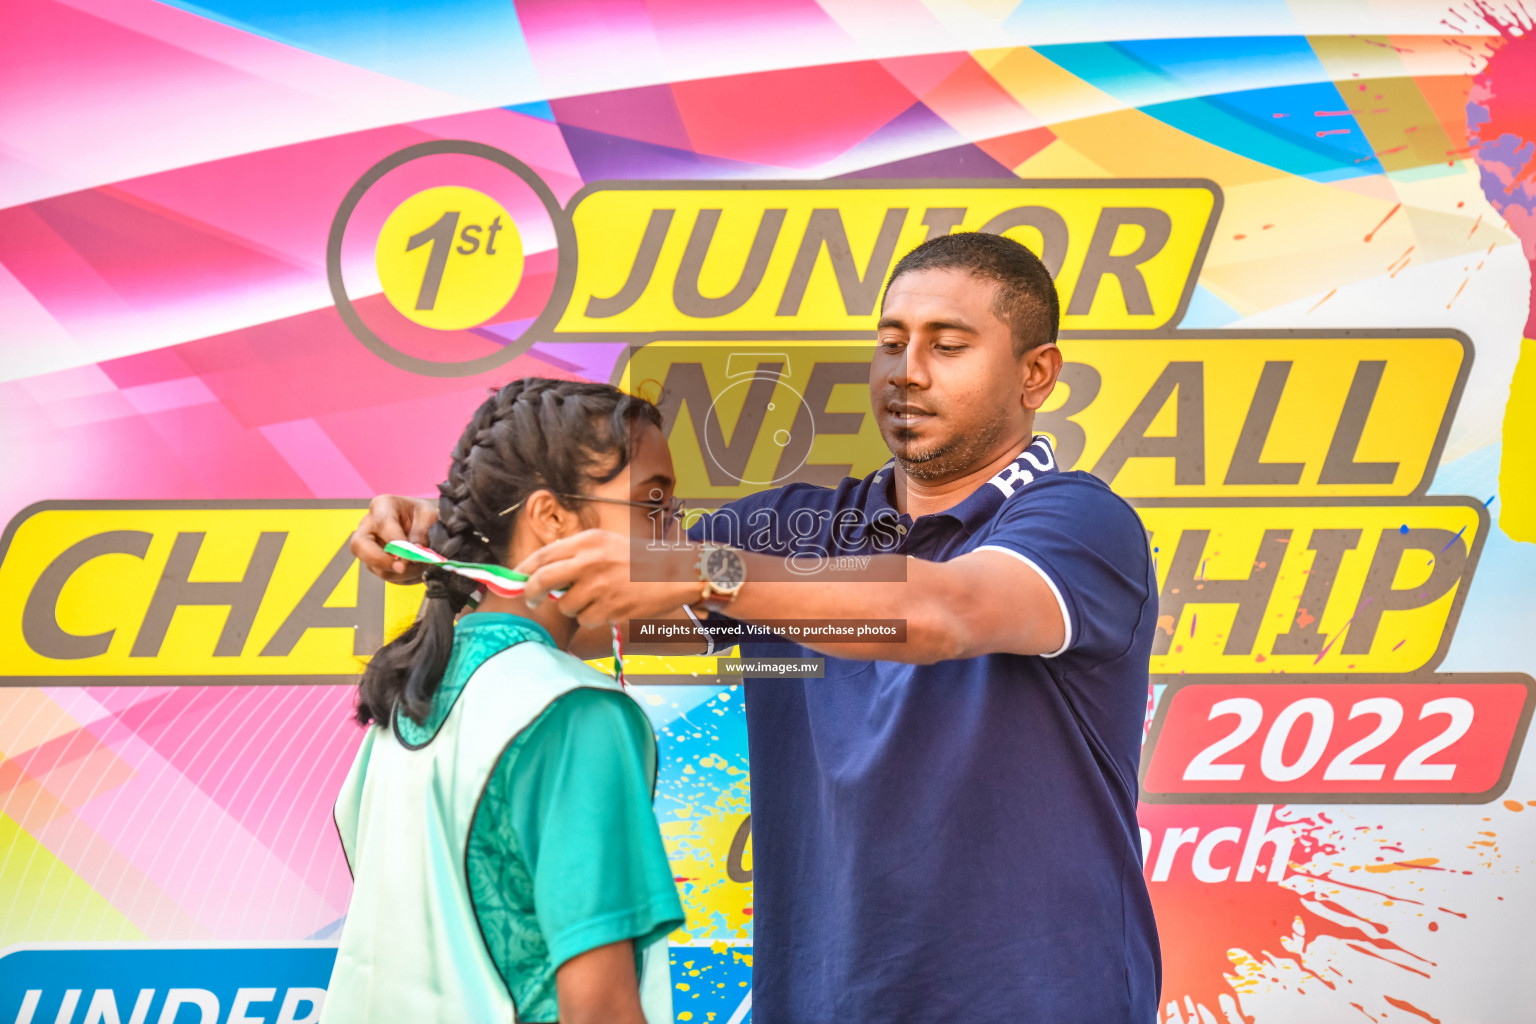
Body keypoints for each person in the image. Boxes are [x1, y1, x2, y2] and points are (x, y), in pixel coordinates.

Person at [353, 233, 1161, 1023]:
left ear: (1036, 374)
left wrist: (705, 571)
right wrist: (464, 532)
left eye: (947, 345)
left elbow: (941, 612)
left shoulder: (1080, 523)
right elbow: (583, 595)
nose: (906, 372)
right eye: (890, 342)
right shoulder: (792, 529)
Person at [326, 379, 685, 1024]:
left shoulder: (413, 689)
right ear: (550, 516)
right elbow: (598, 1008)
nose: (674, 532)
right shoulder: (573, 712)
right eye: (652, 501)